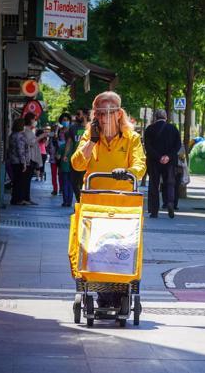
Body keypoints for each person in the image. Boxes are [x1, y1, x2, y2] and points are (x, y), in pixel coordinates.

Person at [71, 91, 146, 308]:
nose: (104, 118)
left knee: (120, 249)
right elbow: (77, 164)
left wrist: (128, 171)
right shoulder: (90, 137)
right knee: (95, 250)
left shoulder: (132, 138)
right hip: (94, 206)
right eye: (100, 114)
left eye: (109, 113)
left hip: (123, 206)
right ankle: (101, 293)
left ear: (119, 114)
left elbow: (140, 166)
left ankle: (118, 290)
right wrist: (92, 142)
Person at [144, 110, 181, 218]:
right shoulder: (173, 129)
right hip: (170, 162)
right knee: (170, 183)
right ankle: (170, 202)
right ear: (166, 117)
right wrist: (168, 156)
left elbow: (148, 147)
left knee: (154, 185)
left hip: (154, 161)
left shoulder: (149, 129)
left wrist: (158, 157)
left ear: (155, 117)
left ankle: (154, 210)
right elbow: (177, 145)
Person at [22, 113, 46, 205]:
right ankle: (25, 198)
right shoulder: (26, 130)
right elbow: (30, 142)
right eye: (34, 119)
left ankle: (27, 198)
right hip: (29, 158)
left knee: (28, 179)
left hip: (32, 158)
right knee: (26, 180)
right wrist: (40, 137)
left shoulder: (29, 130)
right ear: (30, 120)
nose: (35, 121)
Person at [67, 109, 89, 202]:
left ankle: (83, 202)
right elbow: (69, 141)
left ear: (85, 115)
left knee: (84, 182)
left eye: (78, 114)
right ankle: (79, 200)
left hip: (88, 159)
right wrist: (65, 155)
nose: (76, 116)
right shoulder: (73, 128)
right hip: (75, 159)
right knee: (74, 183)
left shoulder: (91, 128)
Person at [7, 118, 30, 205]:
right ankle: (18, 199)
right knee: (20, 182)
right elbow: (21, 151)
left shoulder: (12, 135)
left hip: (13, 160)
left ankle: (15, 199)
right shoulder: (20, 136)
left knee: (16, 181)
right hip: (19, 162)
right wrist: (24, 163)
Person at [56, 124, 74, 207]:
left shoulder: (62, 146)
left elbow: (58, 156)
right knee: (70, 185)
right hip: (72, 168)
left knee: (64, 185)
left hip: (64, 168)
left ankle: (65, 201)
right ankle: (70, 201)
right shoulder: (74, 146)